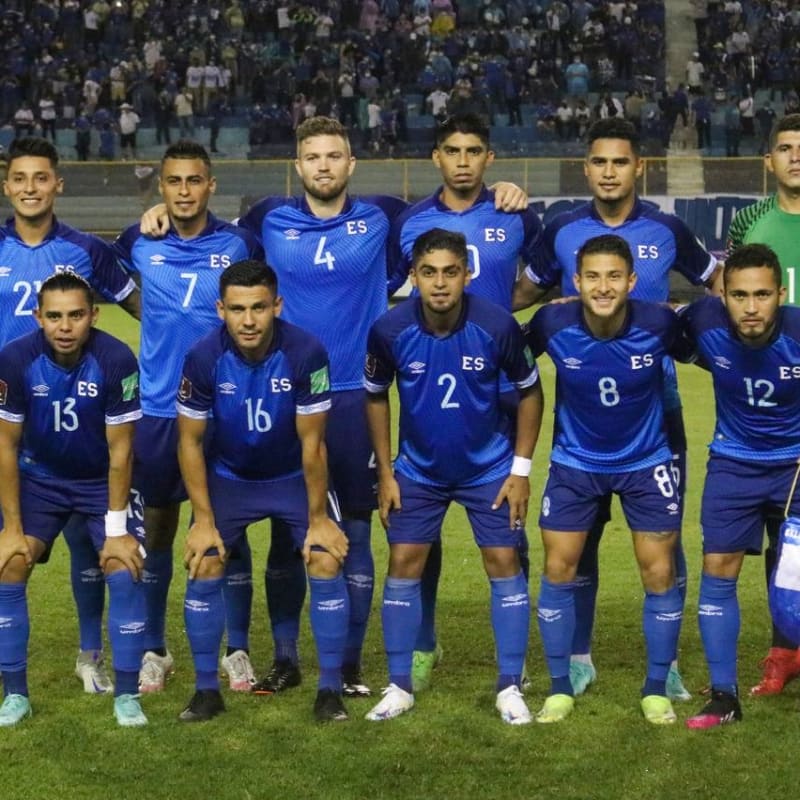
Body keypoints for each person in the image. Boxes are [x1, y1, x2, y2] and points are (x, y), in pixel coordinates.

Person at [140, 116, 528, 698]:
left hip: (353, 396)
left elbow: (445, 212)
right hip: (279, 390)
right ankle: (286, 655)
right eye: (313, 157)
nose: (324, 166)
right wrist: (158, 216)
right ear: (298, 167)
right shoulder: (264, 220)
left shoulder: (385, 216)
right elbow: (204, 231)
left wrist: (504, 193)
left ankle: (345, 663)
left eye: (335, 156)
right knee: (279, 532)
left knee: (352, 527)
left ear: (351, 164)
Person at [513, 118, 719, 703]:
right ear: (587, 169)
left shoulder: (667, 228)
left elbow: (716, 282)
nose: (609, 172)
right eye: (599, 162)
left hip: (658, 406)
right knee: (581, 539)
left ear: (638, 168)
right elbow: (522, 295)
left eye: (620, 162)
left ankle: (668, 664)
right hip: (584, 408)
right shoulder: (559, 229)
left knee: (664, 539)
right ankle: (578, 657)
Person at [387, 112, 543, 692]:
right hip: (431, 386)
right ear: (435, 157)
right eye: (451, 149)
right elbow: (382, 291)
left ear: (489, 158)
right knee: (417, 531)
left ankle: (515, 660)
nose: (462, 160)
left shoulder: (513, 213)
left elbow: (544, 277)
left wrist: (501, 315)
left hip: (499, 389)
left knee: (508, 525)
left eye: (473, 150)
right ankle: (423, 643)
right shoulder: (409, 222)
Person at [364, 228, 543, 724]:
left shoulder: (497, 325)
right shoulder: (389, 329)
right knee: (403, 562)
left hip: (488, 467)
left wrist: (520, 471)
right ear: (414, 277)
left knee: (503, 559)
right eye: (428, 272)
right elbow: (375, 396)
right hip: (417, 472)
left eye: (450, 272)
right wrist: (385, 472)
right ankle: (399, 684)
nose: (440, 283)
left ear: (466, 274)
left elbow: (530, 392)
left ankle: (510, 684)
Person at [114, 140, 263, 694]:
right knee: (157, 532)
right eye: (173, 182)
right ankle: (155, 648)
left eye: (193, 180)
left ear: (210, 185)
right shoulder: (138, 241)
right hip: (156, 411)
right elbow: (129, 296)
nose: (183, 191)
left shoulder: (238, 241)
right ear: (162, 186)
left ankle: (238, 648)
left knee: (231, 530)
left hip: (222, 408)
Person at [176, 259, 351, 723]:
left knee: (324, 556)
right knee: (205, 560)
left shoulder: (306, 351)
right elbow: (190, 442)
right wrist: (204, 521)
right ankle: (206, 691)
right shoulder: (202, 357)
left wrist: (317, 519)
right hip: (231, 478)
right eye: (237, 309)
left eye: (258, 308)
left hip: (292, 476)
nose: (248, 320)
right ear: (220, 309)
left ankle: (329, 690)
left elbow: (313, 444)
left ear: (277, 305)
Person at [525, 234, 687, 725]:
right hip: (575, 463)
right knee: (559, 569)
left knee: (659, 572)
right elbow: (510, 365)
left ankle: (658, 685)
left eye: (614, 276)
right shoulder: (552, 322)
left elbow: (715, 355)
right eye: (592, 276)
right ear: (575, 282)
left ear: (632, 281)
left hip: (646, 460)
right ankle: (561, 685)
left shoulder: (659, 323)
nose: (603, 286)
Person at [0, 136, 141, 698]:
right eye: (19, 179)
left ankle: (91, 656)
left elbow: (143, 307)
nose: (30, 189)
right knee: (9, 546)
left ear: (58, 183)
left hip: (81, 419)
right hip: (11, 423)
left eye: (41, 178)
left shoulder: (86, 250)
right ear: (7, 186)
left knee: (94, 548)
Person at [0, 273, 147, 727]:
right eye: (56, 316)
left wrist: (118, 532)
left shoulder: (117, 359)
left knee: (124, 570)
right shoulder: (14, 360)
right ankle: (15, 695)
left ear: (94, 316)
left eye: (76, 315)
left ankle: (126, 695)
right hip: (39, 480)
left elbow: (121, 452)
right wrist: (11, 528)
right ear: (38, 317)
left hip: (101, 481)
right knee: (9, 564)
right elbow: (5, 445)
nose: (66, 327)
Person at [680, 243, 800, 729]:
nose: (751, 307)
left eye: (763, 295)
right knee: (718, 570)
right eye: (739, 295)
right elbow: (644, 324)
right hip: (734, 464)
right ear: (721, 294)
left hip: (796, 467)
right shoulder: (702, 322)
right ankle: (724, 695)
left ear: (782, 293)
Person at [725, 113, 800, 694]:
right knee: (784, 542)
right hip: (768, 395)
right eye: (786, 148)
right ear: (768, 160)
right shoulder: (751, 220)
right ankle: (784, 649)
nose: (796, 157)